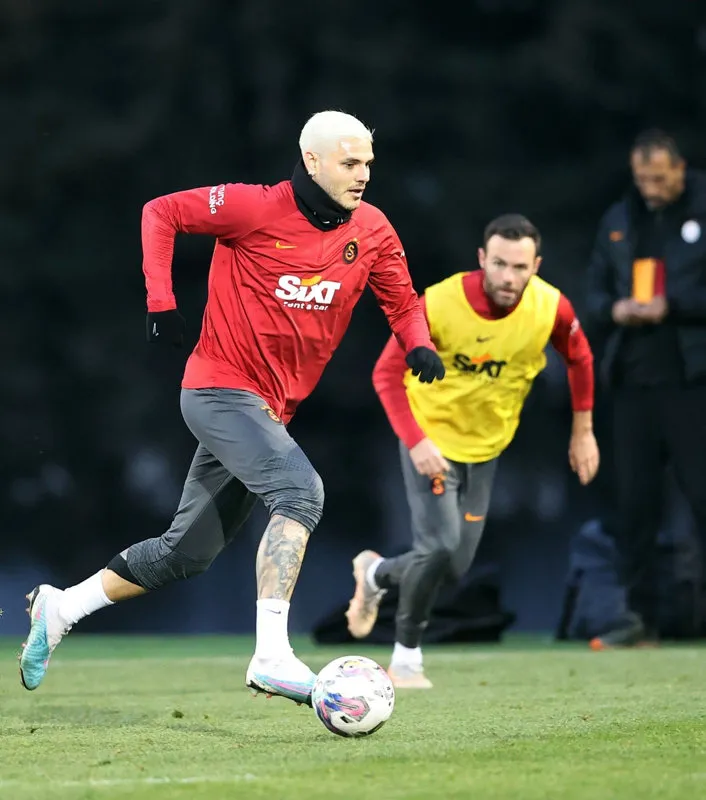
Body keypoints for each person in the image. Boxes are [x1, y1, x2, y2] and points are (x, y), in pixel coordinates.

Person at [19, 110, 445, 704]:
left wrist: (418, 343)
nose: (364, 174)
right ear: (312, 161)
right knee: (301, 492)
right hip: (218, 391)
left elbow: (402, 302)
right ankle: (271, 656)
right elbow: (160, 212)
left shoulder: (371, 229)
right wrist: (161, 299)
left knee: (184, 554)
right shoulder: (254, 207)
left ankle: (61, 608)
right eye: (350, 163)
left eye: (368, 163)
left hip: (269, 412)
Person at [345, 214, 599, 688]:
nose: (508, 277)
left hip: (486, 449)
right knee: (437, 547)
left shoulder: (550, 308)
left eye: (519, 267)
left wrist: (583, 431)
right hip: (431, 440)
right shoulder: (440, 303)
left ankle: (376, 573)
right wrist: (417, 442)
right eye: (499, 263)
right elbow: (386, 374)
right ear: (482, 258)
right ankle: (406, 660)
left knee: (453, 567)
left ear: (536, 266)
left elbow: (580, 358)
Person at [584, 129, 706, 649]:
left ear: (680, 168)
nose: (650, 188)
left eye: (659, 178)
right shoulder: (620, 218)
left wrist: (673, 306)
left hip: (693, 381)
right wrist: (616, 309)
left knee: (702, 497)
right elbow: (593, 291)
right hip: (633, 383)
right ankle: (639, 619)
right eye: (642, 178)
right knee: (635, 506)